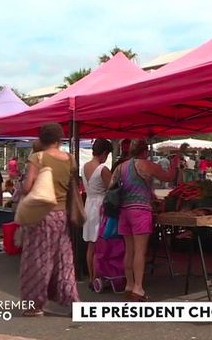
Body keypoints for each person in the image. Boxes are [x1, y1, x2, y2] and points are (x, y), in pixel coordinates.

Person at [19, 123, 79, 317]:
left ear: (41, 138)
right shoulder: (71, 159)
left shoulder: (38, 157)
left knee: (38, 259)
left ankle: (35, 304)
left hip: (41, 215)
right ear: (59, 138)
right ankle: (72, 301)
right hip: (62, 215)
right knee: (64, 259)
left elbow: (28, 187)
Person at [111, 139, 180, 301]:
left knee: (129, 250)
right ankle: (138, 288)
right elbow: (168, 177)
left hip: (124, 211)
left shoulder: (121, 167)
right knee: (140, 251)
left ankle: (129, 284)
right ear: (145, 151)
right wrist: (174, 163)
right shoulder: (147, 165)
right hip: (140, 211)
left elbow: (111, 187)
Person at [82, 138, 113, 290]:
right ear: (104, 153)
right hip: (100, 205)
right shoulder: (103, 169)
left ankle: (91, 276)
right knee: (99, 244)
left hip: (88, 204)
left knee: (90, 244)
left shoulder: (84, 167)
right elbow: (112, 189)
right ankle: (97, 277)